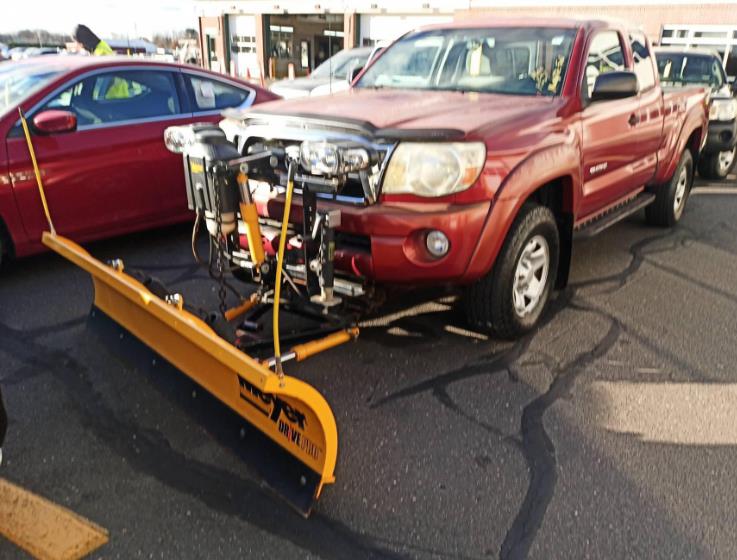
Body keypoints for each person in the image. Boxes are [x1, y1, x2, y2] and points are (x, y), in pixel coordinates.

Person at [72, 24, 129, 98]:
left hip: (113, 98)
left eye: (77, 42)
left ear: (82, 42)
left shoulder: (101, 53)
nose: (78, 45)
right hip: (112, 97)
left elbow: (106, 80)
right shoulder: (99, 47)